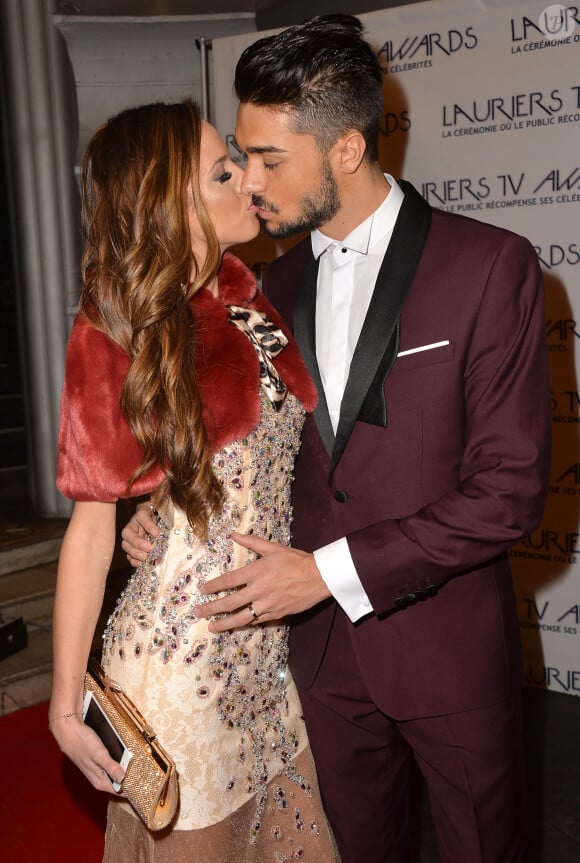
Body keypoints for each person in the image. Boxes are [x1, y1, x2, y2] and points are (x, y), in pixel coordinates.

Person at [122, 16, 552, 863]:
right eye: (241, 156)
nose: (250, 180)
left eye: (270, 160)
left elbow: (508, 491)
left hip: (448, 655)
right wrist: (166, 513)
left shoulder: (490, 266)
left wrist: (325, 571)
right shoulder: (262, 284)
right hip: (314, 665)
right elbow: (248, 453)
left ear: (347, 150)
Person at [49, 98, 339, 863]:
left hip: (263, 657)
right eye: (223, 169)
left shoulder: (249, 299)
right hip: (176, 669)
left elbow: (223, 458)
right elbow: (88, 532)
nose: (247, 176)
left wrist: (162, 496)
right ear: (171, 202)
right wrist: (61, 699)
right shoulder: (111, 326)